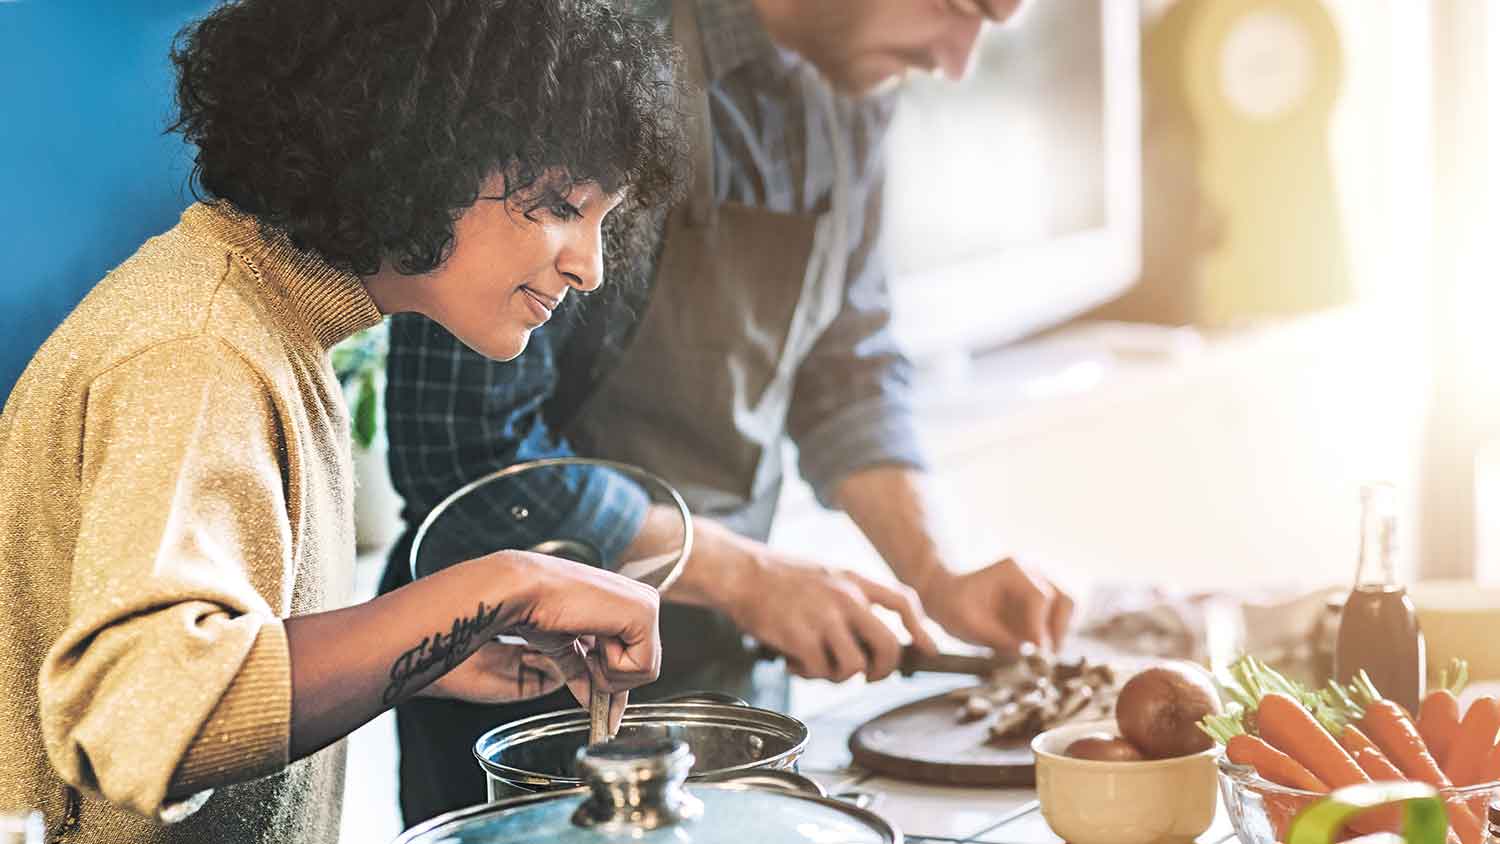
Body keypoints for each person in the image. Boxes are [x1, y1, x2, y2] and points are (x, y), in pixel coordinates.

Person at [0, 1, 688, 841]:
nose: (591, 268)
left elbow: (230, 638)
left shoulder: (271, 323)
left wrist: (423, 655)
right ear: (425, 145)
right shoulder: (197, 348)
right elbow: (143, 713)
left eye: (604, 220)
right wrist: (511, 582)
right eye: (559, 206)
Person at [381, 0, 1077, 825]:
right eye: (956, 6)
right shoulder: (576, 48)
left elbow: (846, 366)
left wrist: (938, 573)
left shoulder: (858, 90)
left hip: (727, 689)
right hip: (529, 705)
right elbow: (469, 455)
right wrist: (747, 577)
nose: (956, 61)